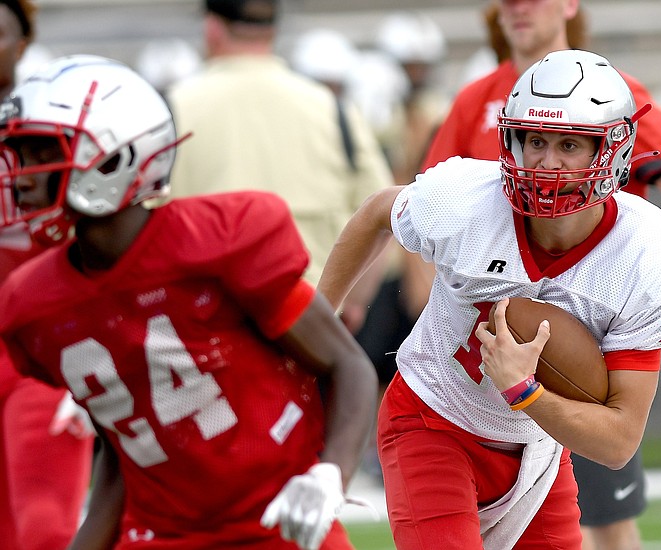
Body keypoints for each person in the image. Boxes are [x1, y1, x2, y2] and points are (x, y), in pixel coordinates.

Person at [318, 48, 661, 550]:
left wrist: (525, 391)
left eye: (569, 145)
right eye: (535, 140)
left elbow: (618, 441)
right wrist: (312, 326)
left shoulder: (649, 255)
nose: (546, 162)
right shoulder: (467, 199)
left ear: (612, 149)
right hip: (433, 419)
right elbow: (377, 212)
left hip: (537, 447)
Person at [0, 54, 378, 550]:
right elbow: (127, 442)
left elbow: (347, 365)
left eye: (39, 152)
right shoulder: (37, 302)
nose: (21, 175)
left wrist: (330, 474)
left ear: (112, 156)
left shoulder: (218, 241)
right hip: (160, 533)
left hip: (279, 519)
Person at [420, 2, 661, 549]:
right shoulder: (476, 99)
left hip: (577, 344)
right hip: (486, 354)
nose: (517, 8)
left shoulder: (612, 92)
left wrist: (630, 290)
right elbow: (426, 212)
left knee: (604, 522)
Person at [167, 0, 393, 300]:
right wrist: (350, 302)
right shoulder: (332, 108)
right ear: (273, 30)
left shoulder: (171, 109)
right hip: (311, 322)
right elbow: (384, 213)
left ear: (212, 28)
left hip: (206, 323)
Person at [0, 2, 94, 549]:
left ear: (22, 41)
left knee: (44, 529)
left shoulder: (53, 128)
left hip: (43, 349)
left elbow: (102, 240)